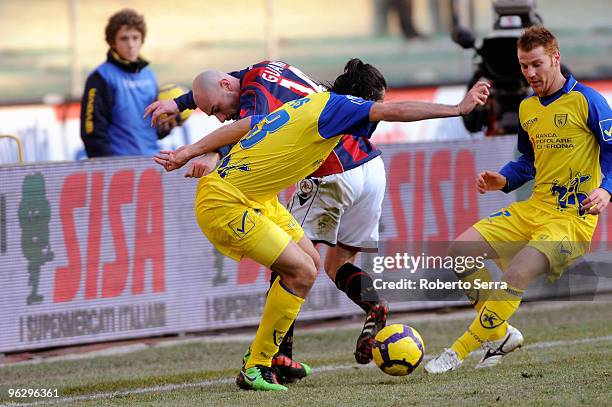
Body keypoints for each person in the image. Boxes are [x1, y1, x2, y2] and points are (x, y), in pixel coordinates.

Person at [153, 64, 490, 390]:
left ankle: (268, 357)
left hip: (255, 198)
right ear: (359, 103)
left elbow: (245, 125)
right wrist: (457, 109)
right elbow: (398, 110)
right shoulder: (334, 109)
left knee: (311, 265)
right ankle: (258, 363)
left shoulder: (301, 102)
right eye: (373, 105)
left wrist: (196, 151)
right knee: (301, 272)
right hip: (225, 202)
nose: (377, 111)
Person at [145, 60, 390, 380]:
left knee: (290, 266)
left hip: (330, 171)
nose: (220, 117)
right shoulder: (264, 70)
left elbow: (249, 128)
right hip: (371, 166)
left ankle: (275, 358)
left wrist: (212, 153)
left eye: (217, 110)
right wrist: (180, 103)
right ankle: (373, 303)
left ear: (227, 88)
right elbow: (224, 86)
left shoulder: (256, 97)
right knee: (334, 264)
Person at [425, 25, 612, 374]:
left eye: (536, 64)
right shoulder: (528, 108)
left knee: (516, 273)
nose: (529, 73)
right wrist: (504, 178)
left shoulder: (589, 101)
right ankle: (500, 335)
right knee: (460, 252)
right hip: (534, 208)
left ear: (555, 58)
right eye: (523, 65)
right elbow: (528, 161)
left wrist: (606, 189)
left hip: (571, 219)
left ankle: (456, 352)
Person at [80, 9, 172, 157]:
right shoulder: (100, 78)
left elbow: (153, 127)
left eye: (135, 37)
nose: (130, 44)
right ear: (113, 43)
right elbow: (91, 130)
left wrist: (166, 126)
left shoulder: (149, 75)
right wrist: (107, 165)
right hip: (119, 165)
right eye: (124, 38)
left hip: (153, 159)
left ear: (142, 40)